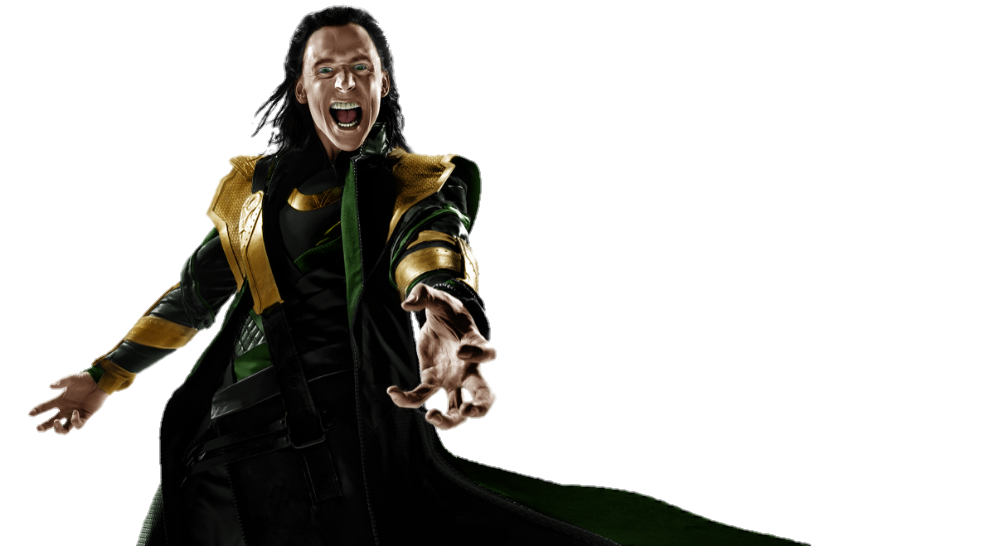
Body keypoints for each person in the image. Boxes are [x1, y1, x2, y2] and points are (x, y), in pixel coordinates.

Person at [27, 6, 810, 546]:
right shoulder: (250, 192)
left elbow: (433, 242)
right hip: (223, 438)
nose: (345, 85)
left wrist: (441, 310)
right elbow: (195, 295)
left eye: (360, 70)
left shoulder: (411, 184)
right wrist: (104, 378)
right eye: (327, 70)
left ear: (383, 85)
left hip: (339, 443)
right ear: (301, 87)